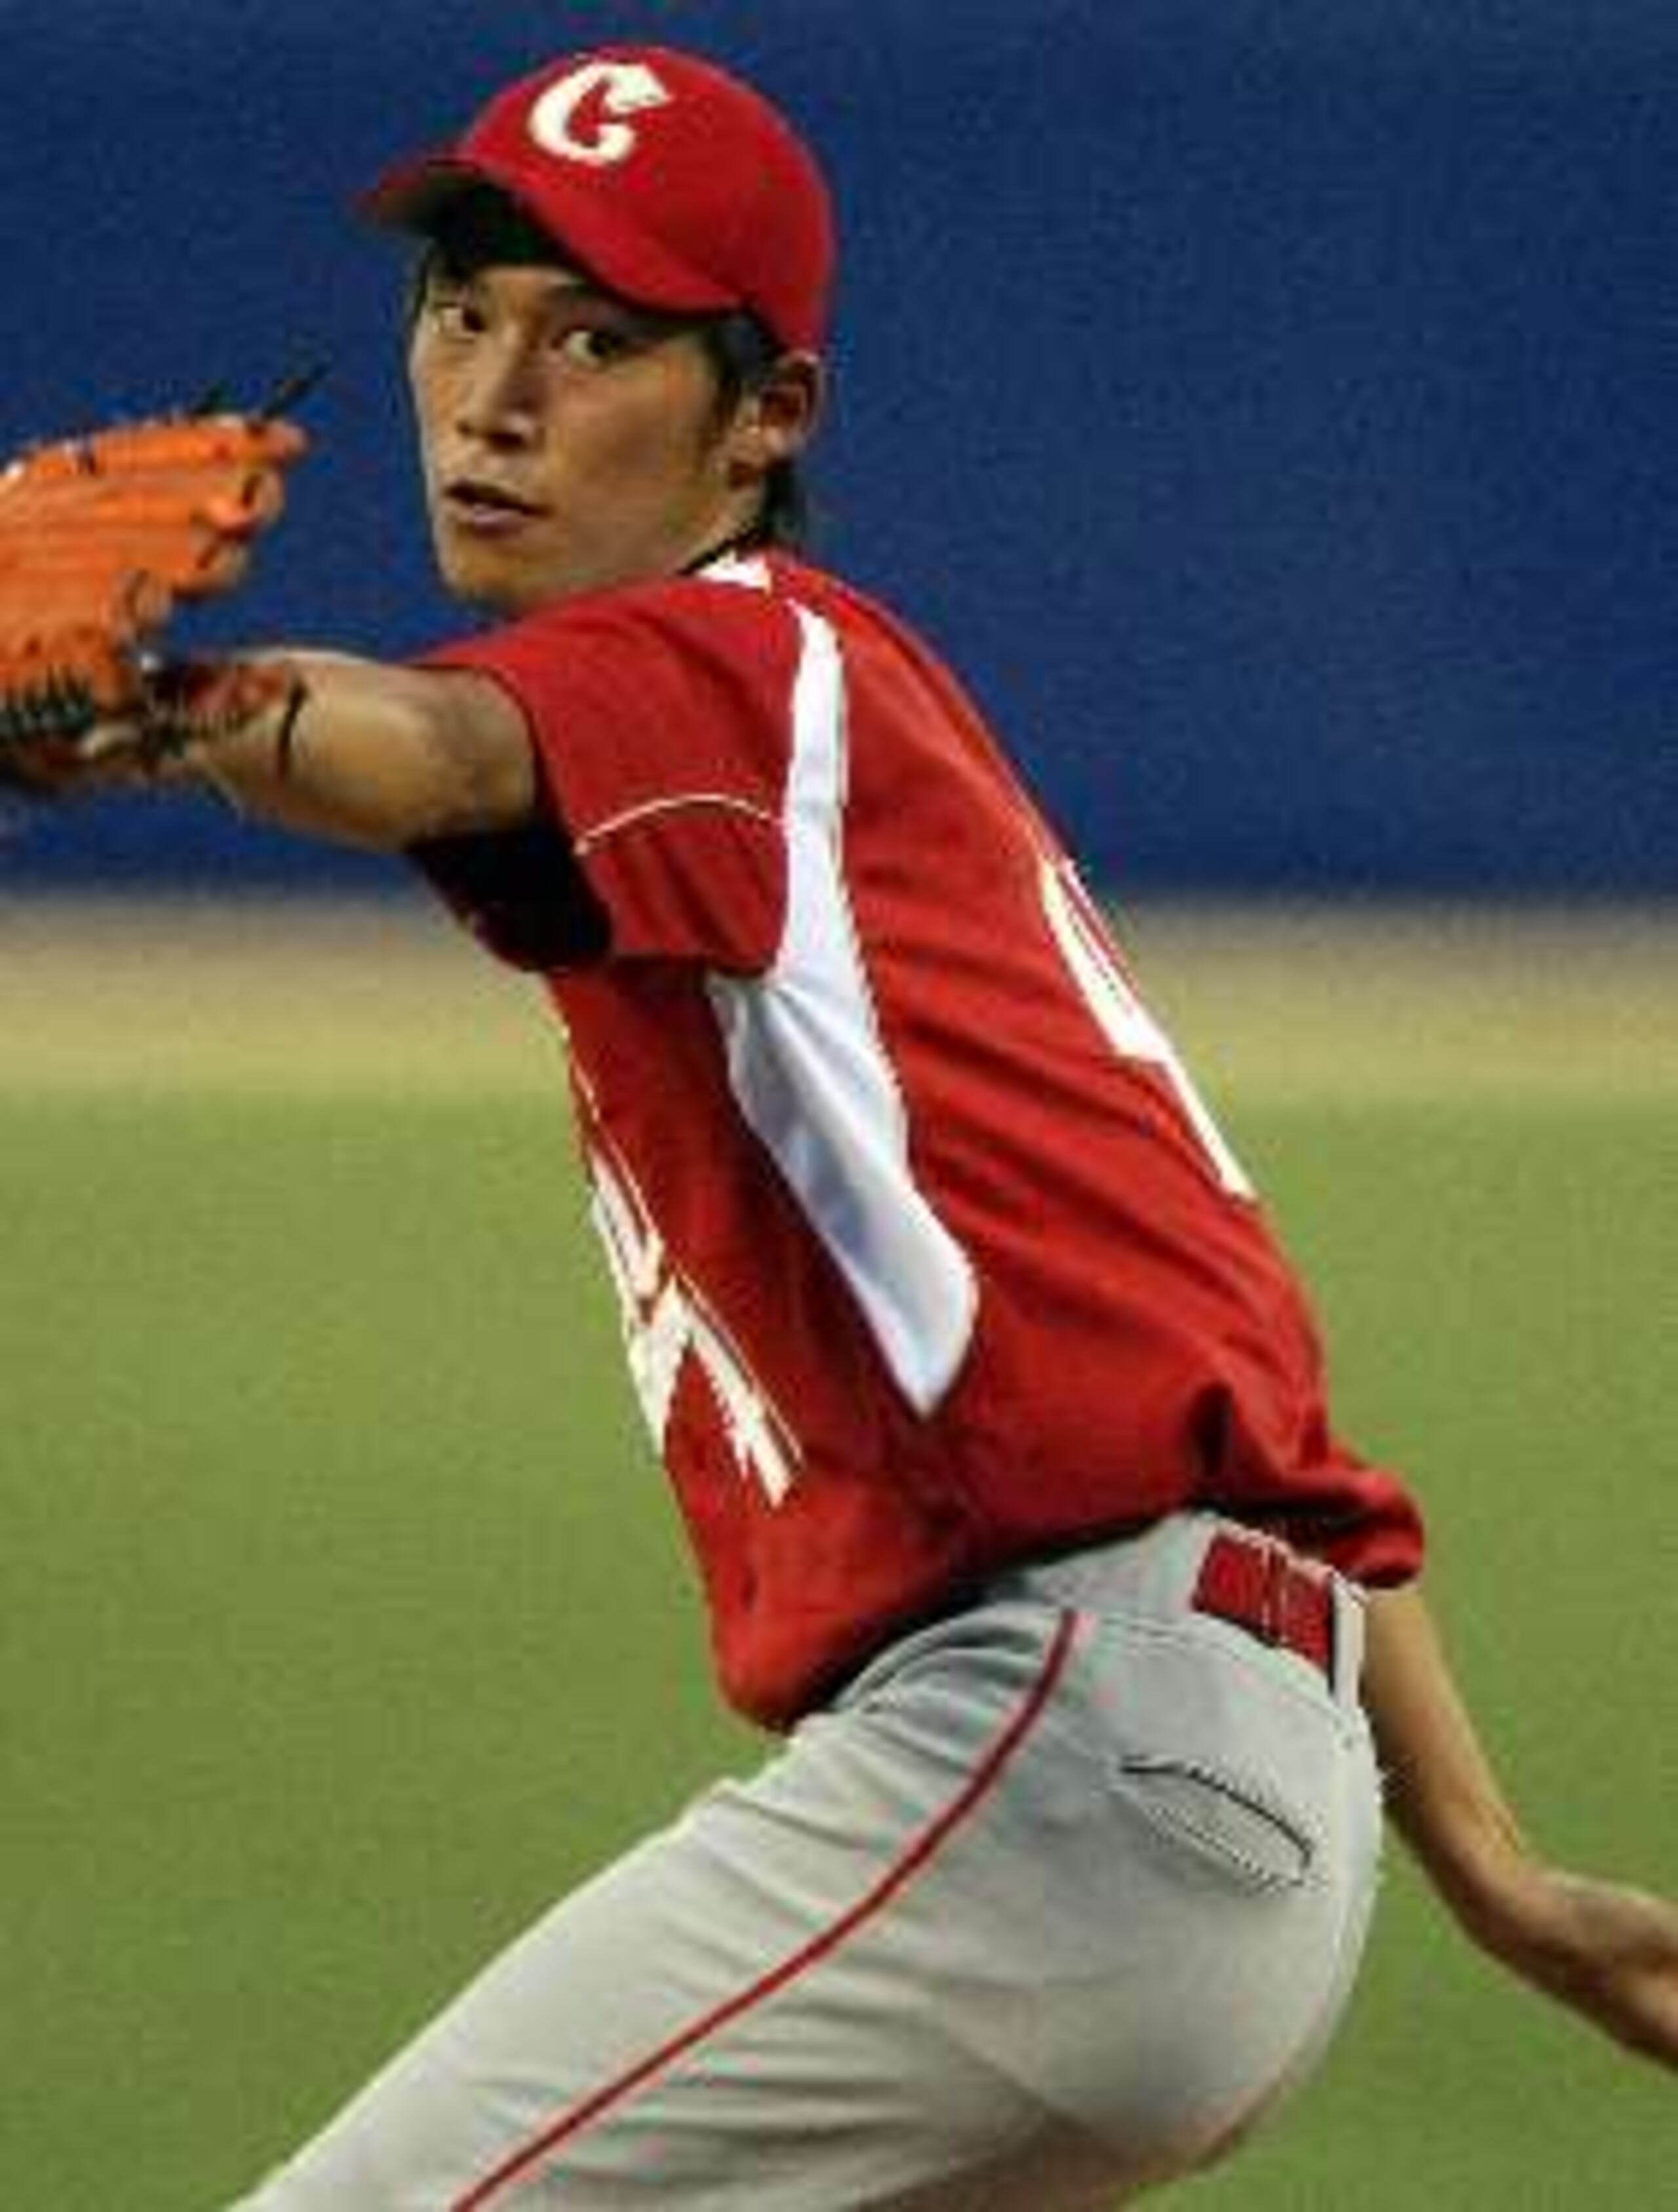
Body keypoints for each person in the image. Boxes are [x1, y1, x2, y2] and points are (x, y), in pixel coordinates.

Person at [54, 43, 1678, 2209]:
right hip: (1215, 1824)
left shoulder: (718, 672)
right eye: (464, 310)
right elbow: (1258, 1411)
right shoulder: (868, 772)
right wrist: (1493, 1867)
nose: (496, 395)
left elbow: (426, 745)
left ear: (766, 420)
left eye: (600, 337)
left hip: (1049, 1785)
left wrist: (167, 717)